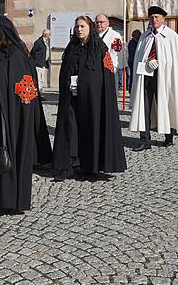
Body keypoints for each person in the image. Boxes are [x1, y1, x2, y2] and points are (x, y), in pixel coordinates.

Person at [0, 16, 52, 213]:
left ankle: (9, 200)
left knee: (7, 156)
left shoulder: (15, 55)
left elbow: (22, 89)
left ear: (0, 31)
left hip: (11, 117)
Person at [53, 15, 126, 179]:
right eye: (77, 27)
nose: (79, 29)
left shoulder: (99, 48)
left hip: (94, 100)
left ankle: (92, 166)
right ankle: (71, 164)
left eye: (82, 27)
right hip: (73, 98)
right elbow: (65, 70)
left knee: (91, 129)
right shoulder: (72, 48)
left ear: (90, 28)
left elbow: (106, 76)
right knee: (72, 128)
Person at [129, 6, 178, 151]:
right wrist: (147, 60)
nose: (154, 20)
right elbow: (139, 56)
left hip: (165, 77)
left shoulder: (171, 36)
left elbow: (177, 58)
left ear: (163, 19)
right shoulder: (145, 36)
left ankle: (168, 136)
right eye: (152, 17)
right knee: (144, 107)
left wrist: (161, 63)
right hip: (146, 76)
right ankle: (145, 139)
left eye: (157, 17)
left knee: (165, 104)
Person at [95, 14, 127, 91]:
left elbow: (118, 54)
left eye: (101, 22)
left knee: (109, 90)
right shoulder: (93, 34)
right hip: (95, 68)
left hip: (109, 68)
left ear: (107, 23)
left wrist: (112, 68)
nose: (99, 24)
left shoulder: (114, 35)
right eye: (97, 22)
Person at [29, 29, 51, 95]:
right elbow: (33, 52)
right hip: (38, 64)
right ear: (46, 35)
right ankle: (37, 94)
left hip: (43, 64)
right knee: (38, 79)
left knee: (41, 80)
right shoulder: (38, 42)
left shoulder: (45, 42)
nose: (50, 36)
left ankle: (40, 93)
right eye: (49, 34)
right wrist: (37, 61)